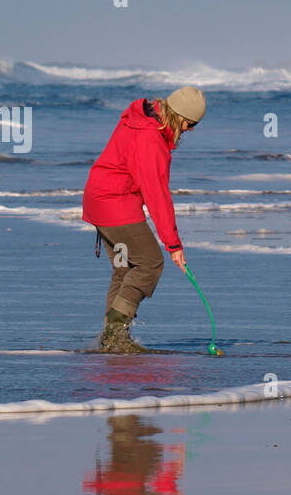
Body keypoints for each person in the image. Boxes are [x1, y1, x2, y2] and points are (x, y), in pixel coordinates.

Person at [82, 86, 205, 352]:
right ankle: (115, 337)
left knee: (125, 269)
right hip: (115, 204)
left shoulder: (142, 120)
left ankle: (112, 341)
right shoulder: (151, 139)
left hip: (99, 199)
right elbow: (157, 194)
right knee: (150, 263)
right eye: (190, 124)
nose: (189, 130)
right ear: (180, 118)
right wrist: (173, 244)